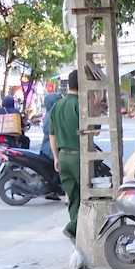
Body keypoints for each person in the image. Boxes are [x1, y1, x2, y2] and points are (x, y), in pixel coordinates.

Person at [49, 69, 81, 243]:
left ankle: (76, 233)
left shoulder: (57, 106)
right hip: (79, 157)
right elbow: (95, 130)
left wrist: (56, 157)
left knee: (73, 197)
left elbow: (51, 135)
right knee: (87, 196)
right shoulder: (80, 105)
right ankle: (71, 228)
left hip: (63, 157)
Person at [40, 92, 64, 201]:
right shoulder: (51, 116)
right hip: (50, 149)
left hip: (50, 147)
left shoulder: (52, 114)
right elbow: (50, 133)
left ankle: (53, 191)